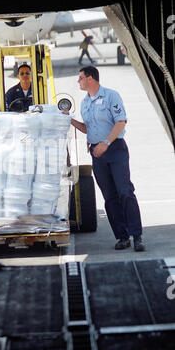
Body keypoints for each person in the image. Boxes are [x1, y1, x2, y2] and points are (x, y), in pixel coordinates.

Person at [64, 65, 145, 252]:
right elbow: (88, 129)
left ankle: (137, 236)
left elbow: (121, 121)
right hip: (97, 154)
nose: (78, 81)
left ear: (90, 78)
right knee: (109, 197)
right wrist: (70, 120)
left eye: (80, 78)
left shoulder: (111, 96)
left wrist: (106, 143)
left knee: (125, 191)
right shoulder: (84, 103)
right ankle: (122, 236)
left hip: (114, 149)